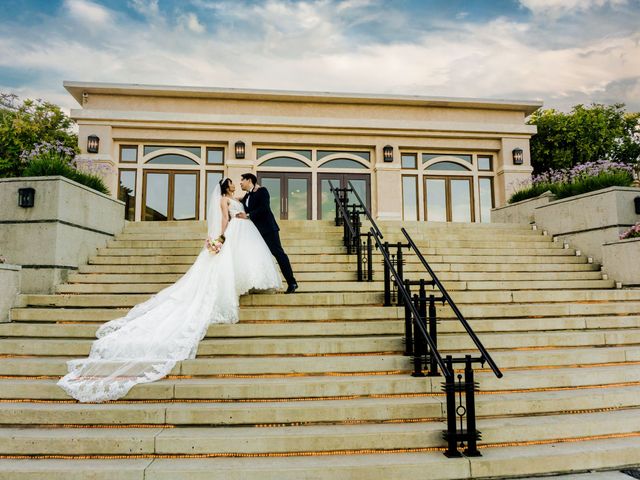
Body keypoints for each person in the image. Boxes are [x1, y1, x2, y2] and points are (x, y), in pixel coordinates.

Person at [57, 178, 281, 403]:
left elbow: (251, 198)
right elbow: (224, 218)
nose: (235, 184)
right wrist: (220, 237)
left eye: (238, 181)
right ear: (226, 188)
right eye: (232, 182)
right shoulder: (224, 200)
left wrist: (256, 191)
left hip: (242, 236)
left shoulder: (237, 198)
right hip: (229, 236)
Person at [237, 173, 298, 294]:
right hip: (255, 233)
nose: (240, 183)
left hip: (268, 229)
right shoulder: (246, 196)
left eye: (242, 180)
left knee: (278, 254)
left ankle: (292, 282)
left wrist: (248, 215)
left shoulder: (262, 191)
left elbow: (264, 208)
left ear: (249, 180)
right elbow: (244, 203)